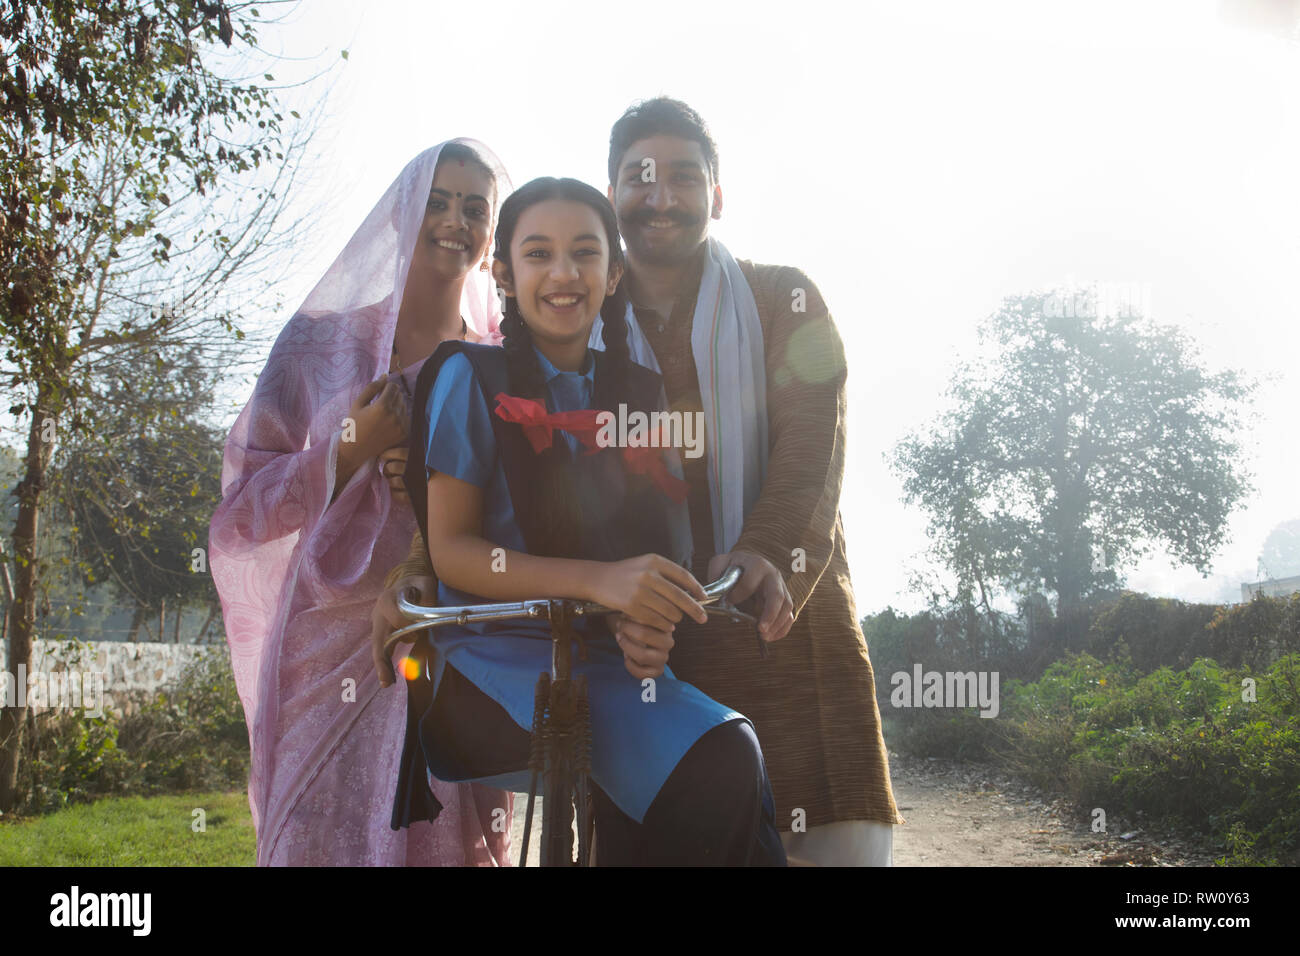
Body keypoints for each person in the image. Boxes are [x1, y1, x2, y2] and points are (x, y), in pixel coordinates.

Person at [387, 176, 787, 866]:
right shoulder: (468, 376)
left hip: (596, 654)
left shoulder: (638, 390)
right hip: (489, 654)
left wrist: (645, 617)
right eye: (538, 254)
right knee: (720, 756)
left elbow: (651, 546)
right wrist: (603, 583)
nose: (564, 273)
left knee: (731, 756)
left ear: (615, 271)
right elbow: (451, 551)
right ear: (504, 272)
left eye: (585, 253)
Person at [586, 98, 905, 865]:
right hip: (652, 661)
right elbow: (548, 484)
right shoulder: (577, 330)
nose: (660, 196)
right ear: (612, 194)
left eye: (684, 177)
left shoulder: (782, 297)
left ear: (717, 196)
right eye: (639, 177)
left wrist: (764, 550)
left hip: (792, 639)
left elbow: (813, 439)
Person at [209, 139, 517, 866]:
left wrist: (445, 480)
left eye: (476, 208)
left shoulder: (503, 362)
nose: (454, 220)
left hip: (452, 633)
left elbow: (533, 503)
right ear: (401, 212)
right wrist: (352, 444)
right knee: (311, 837)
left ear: (490, 237)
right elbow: (241, 516)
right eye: (437, 201)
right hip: (325, 644)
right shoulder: (320, 344)